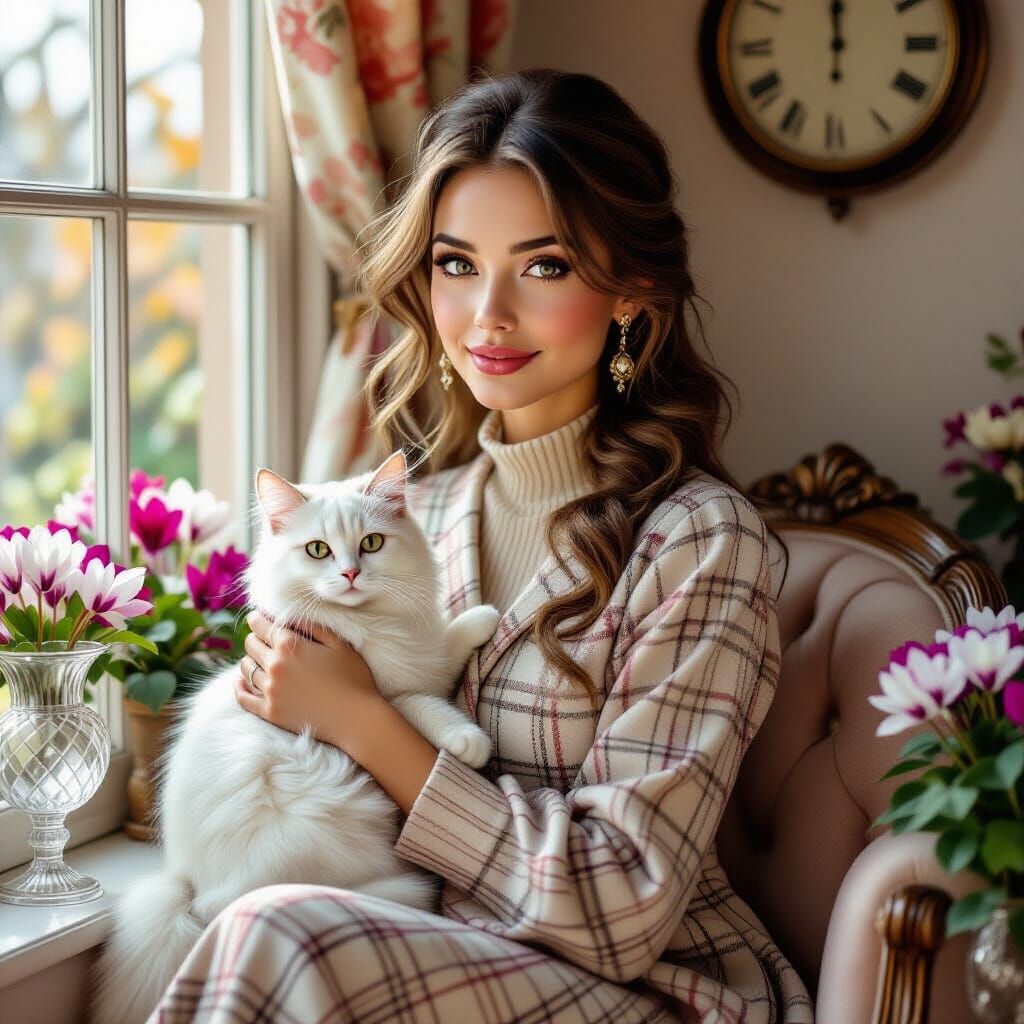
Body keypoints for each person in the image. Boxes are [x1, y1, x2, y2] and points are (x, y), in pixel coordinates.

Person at [151, 68, 815, 1023]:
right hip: (420, 936)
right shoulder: (416, 517)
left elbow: (627, 903)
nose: (487, 314)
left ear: (630, 290)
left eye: (544, 266)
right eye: (456, 263)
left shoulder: (702, 543)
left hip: (651, 987)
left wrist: (365, 725)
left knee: (278, 934)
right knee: (263, 922)